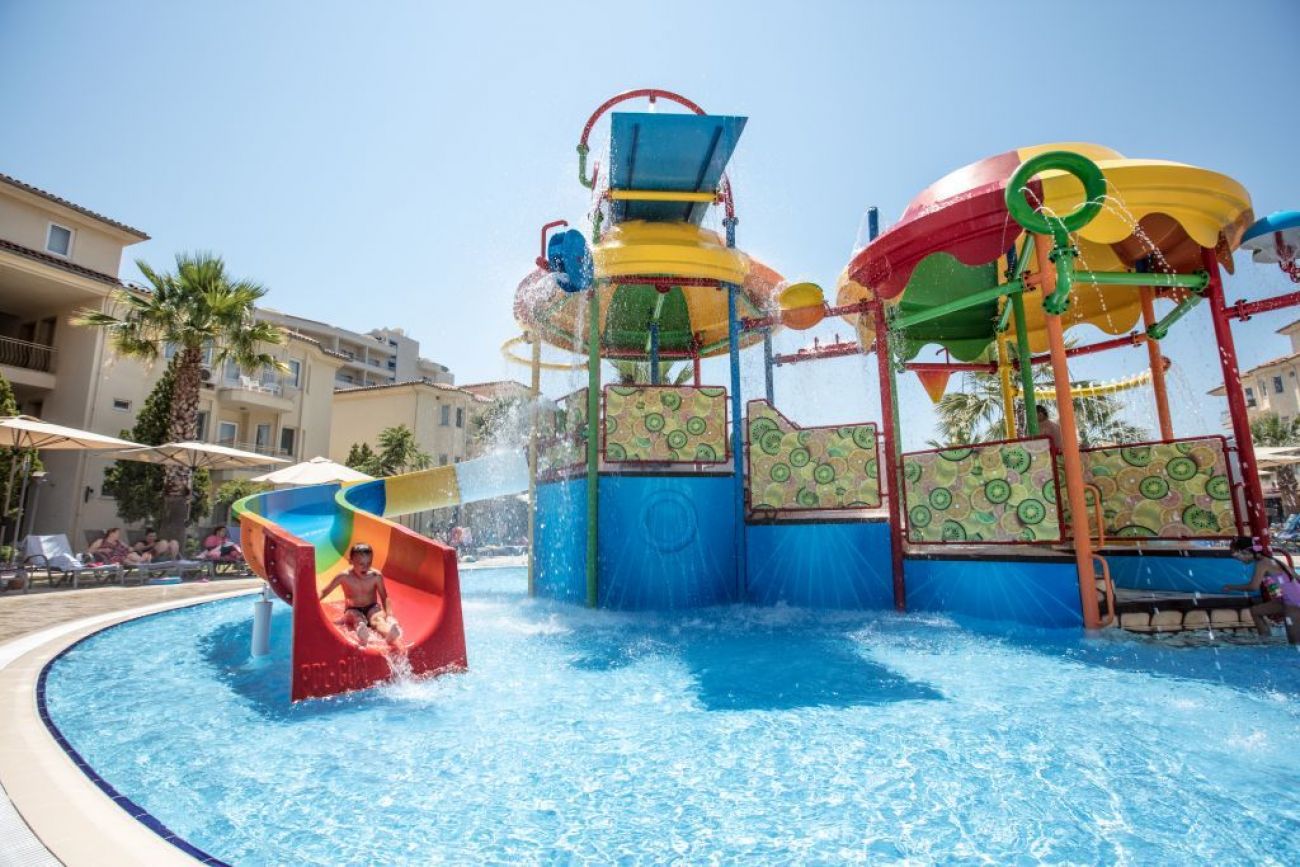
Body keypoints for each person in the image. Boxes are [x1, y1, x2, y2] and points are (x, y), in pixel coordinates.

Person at [318, 542, 402, 648]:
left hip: (372, 607)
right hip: (353, 608)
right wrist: (312, 602)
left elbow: (384, 596)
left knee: (378, 620)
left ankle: (389, 634)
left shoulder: (375, 576)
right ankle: (362, 634)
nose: (365, 567)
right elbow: (324, 591)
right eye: (361, 564)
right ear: (351, 561)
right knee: (357, 618)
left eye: (369, 563)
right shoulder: (344, 577)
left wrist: (389, 615)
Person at [1223, 536, 1300, 644]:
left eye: (1238, 557)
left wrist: (1231, 587)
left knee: (1294, 644)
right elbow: (1297, 577)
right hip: (1286, 600)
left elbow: (1253, 587)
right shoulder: (1273, 560)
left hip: (1293, 602)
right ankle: (1266, 641)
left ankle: (1268, 643)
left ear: (1245, 552)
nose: (1240, 561)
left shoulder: (1262, 563)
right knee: (1256, 611)